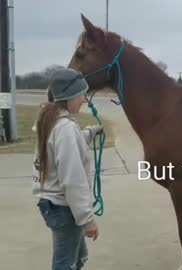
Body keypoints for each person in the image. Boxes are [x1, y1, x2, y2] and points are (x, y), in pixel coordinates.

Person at [32, 68, 103, 270]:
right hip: (64, 209)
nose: (83, 100)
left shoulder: (49, 120)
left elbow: (62, 149)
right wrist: (87, 220)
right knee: (65, 265)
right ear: (69, 96)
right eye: (81, 94)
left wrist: (89, 133)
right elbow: (73, 180)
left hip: (51, 205)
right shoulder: (65, 129)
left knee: (78, 258)